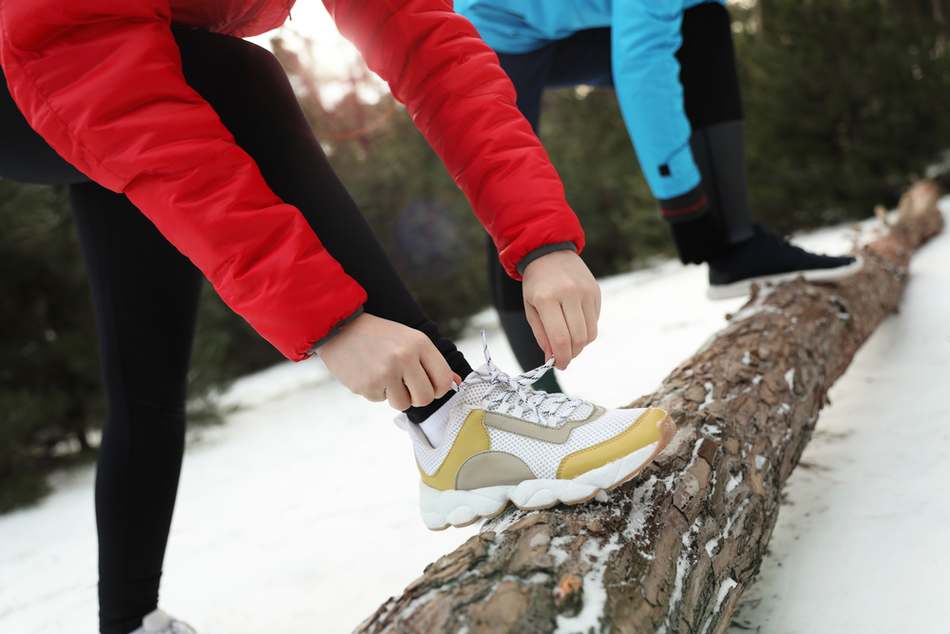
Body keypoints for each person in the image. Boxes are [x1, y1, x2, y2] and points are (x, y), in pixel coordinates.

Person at [0, 1, 674, 632]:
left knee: (144, 376)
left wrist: (541, 238)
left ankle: (128, 623)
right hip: (48, 52)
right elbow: (76, 44)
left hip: (120, 65)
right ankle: (452, 419)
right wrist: (331, 319)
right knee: (230, 77)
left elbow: (426, 41)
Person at [456, 0, 862, 391]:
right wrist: (682, 202)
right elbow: (643, 63)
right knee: (507, 184)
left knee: (701, 20)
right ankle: (544, 397)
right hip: (492, 31)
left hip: (568, 19)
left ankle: (737, 249)